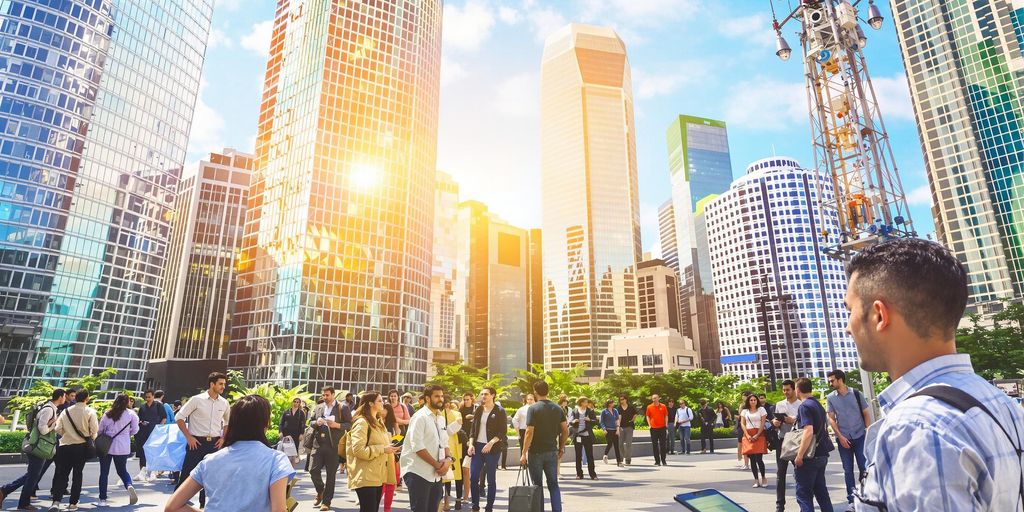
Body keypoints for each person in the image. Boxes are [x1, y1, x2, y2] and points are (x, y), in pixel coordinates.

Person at [845, 238, 1024, 510]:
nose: (848, 327)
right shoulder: (1003, 404)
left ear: (880, 315)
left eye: (850, 311)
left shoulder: (915, 426)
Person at [164, 394, 294, 512]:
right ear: (265, 424)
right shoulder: (276, 460)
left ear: (233, 423)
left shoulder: (209, 460)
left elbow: (172, 507)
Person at [0, 388, 65, 510]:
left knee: (32, 475)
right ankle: (19, 500)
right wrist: (53, 425)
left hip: (39, 446)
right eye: (64, 396)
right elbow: (43, 429)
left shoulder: (51, 409)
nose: (65, 398)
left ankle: (7, 492)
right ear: (60, 397)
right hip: (38, 447)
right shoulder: (48, 409)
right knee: (33, 476)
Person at [175, 372, 230, 510]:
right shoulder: (196, 400)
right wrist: (189, 437)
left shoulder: (224, 403)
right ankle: (175, 505)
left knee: (211, 477)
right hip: (196, 443)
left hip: (215, 444)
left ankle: (204, 506)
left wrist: (223, 438)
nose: (223, 386)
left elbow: (228, 422)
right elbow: (179, 417)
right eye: (221, 384)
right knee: (186, 476)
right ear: (212, 384)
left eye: (224, 383)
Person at [824, 368, 871, 506]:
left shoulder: (856, 393)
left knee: (864, 466)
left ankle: (866, 493)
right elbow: (831, 419)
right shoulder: (831, 397)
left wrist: (868, 430)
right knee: (847, 470)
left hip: (860, 435)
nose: (830, 383)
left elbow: (866, 413)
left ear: (840, 380)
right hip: (843, 437)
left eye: (832, 381)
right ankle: (851, 499)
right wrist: (840, 437)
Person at [519, 380, 567, 512]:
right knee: (553, 485)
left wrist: (523, 453)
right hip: (552, 451)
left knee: (537, 486)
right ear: (548, 391)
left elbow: (529, 432)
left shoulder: (533, 408)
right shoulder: (557, 408)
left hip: (536, 452)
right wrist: (562, 447)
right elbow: (565, 430)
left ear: (535, 392)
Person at [401, 385, 452, 512]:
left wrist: (449, 460)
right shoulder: (420, 417)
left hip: (436, 474)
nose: (441, 399)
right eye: (437, 396)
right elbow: (417, 447)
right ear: (427, 398)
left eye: (441, 396)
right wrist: (437, 465)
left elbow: (445, 443)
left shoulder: (440, 418)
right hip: (418, 472)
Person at [346, 392, 397, 512]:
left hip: (377, 475)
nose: (383, 403)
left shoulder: (378, 422)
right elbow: (358, 450)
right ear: (370, 403)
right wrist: (382, 449)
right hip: (366, 475)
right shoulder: (362, 422)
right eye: (379, 400)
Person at [48, 388, 97, 511]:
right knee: (77, 474)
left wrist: (67, 434)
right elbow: (94, 431)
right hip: (81, 447)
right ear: (87, 398)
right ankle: (73, 503)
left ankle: (56, 502)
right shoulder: (90, 411)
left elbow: (57, 428)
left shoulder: (66, 411)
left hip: (65, 446)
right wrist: (90, 437)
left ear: (76, 398)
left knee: (62, 474)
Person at [792, 377, 834, 512]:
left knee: (803, 494)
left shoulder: (804, 406)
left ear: (797, 390)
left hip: (809, 457)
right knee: (821, 492)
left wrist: (799, 455)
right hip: (822, 453)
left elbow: (808, 431)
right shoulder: (817, 404)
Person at [467, 387, 506, 512]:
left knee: (491, 479)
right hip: (477, 447)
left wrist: (491, 443)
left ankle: (489, 507)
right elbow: (473, 429)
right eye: (482, 394)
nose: (483, 396)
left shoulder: (499, 411)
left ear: (493, 395)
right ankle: (475, 506)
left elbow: (502, 432)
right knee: (473, 477)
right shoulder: (478, 409)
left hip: (492, 448)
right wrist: (471, 444)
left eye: (486, 394)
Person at [98, 394, 140, 507]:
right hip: (123, 446)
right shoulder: (131, 414)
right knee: (122, 470)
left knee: (104, 473)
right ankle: (129, 485)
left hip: (106, 446)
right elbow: (135, 430)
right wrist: (126, 434)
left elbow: (100, 429)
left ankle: (102, 499)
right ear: (127, 402)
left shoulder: (108, 413)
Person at [308, 386, 344, 511]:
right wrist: (316, 422)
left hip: (333, 446)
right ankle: (320, 491)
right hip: (318, 444)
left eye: (327, 395)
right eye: (323, 395)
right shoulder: (318, 407)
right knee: (313, 470)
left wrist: (336, 425)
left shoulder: (342, 407)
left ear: (333, 395)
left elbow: (349, 425)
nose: (325, 397)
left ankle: (326, 502)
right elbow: (310, 422)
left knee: (331, 475)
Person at [771, 379, 801, 512]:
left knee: (800, 473)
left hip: (796, 441)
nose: (785, 392)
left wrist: (792, 420)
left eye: (788, 390)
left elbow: (805, 423)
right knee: (780, 473)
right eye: (783, 390)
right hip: (782, 441)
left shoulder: (802, 404)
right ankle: (780, 505)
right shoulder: (779, 404)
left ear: (794, 389)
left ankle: (803, 500)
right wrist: (775, 423)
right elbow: (776, 423)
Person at [136, 389, 167, 482]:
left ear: (153, 396)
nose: (148, 399)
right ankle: (142, 472)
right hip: (144, 431)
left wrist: (159, 428)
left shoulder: (158, 405)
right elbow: (139, 419)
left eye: (149, 397)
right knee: (143, 452)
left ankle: (153, 472)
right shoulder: (142, 407)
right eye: (146, 397)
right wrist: (142, 422)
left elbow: (164, 418)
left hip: (155, 432)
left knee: (154, 451)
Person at [740, 394, 768, 488]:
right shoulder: (744, 411)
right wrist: (747, 435)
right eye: (751, 400)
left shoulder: (761, 410)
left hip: (759, 434)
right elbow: (743, 424)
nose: (753, 401)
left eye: (754, 400)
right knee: (752, 459)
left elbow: (763, 423)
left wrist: (757, 434)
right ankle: (756, 479)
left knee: (759, 459)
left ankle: (763, 477)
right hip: (748, 434)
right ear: (748, 401)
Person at [442, 400, 464, 511]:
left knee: (457, 476)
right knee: (445, 477)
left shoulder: (456, 414)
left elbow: (456, 427)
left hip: (455, 448)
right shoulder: (437, 413)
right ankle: (445, 501)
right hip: (442, 448)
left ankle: (458, 500)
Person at [568, 397, 597, 479]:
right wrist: (573, 422)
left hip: (587, 436)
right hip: (578, 435)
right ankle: (579, 474)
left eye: (587, 402)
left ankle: (593, 474)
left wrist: (589, 420)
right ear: (581, 403)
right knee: (578, 455)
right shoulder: (575, 411)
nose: (586, 404)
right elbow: (570, 421)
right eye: (585, 402)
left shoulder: (590, 411)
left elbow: (596, 421)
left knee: (590, 455)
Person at [380, 397, 401, 512]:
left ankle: (387, 508)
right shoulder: (374, 421)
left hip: (391, 454)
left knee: (390, 482)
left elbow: (399, 435)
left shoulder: (393, 423)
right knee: (381, 482)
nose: (381, 410)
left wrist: (394, 442)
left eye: (384, 408)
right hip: (379, 454)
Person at [279, 398, 306, 465]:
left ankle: (292, 467)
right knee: (285, 449)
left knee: (294, 451)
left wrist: (301, 434)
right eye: (295, 401)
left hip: (296, 434)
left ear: (299, 403)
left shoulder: (301, 413)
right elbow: (281, 423)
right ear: (292, 402)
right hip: (286, 433)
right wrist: (280, 432)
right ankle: (285, 464)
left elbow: (303, 424)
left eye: (297, 402)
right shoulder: (286, 411)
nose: (296, 403)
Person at [645, 394, 668, 466]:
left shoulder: (663, 406)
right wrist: (649, 425)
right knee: (655, 445)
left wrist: (666, 425)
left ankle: (663, 460)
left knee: (663, 444)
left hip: (662, 427)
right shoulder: (649, 407)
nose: (654, 399)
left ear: (659, 398)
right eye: (653, 398)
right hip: (653, 428)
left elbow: (666, 415)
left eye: (655, 398)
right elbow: (647, 416)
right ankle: (657, 461)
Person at [615, 396, 637, 466]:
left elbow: (635, 414)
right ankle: (621, 458)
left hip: (629, 427)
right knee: (620, 444)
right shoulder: (618, 408)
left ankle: (628, 459)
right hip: (621, 427)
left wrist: (633, 420)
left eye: (622, 399)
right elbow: (617, 418)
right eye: (620, 399)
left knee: (628, 444)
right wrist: (618, 427)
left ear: (626, 399)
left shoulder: (631, 407)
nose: (621, 401)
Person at [599, 399, 621, 466]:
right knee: (610, 444)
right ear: (608, 404)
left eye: (613, 402)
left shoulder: (615, 411)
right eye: (611, 403)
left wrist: (618, 429)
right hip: (608, 430)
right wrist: (604, 429)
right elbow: (601, 421)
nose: (613, 404)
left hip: (615, 430)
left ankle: (619, 461)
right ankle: (605, 455)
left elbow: (617, 420)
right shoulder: (604, 411)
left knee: (616, 446)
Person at [736, 391, 751, 470]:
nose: (742, 397)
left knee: (745, 444)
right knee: (743, 444)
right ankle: (746, 463)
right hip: (743, 426)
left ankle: (747, 463)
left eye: (744, 396)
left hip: (747, 426)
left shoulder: (747, 405)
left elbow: (740, 415)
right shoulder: (743, 404)